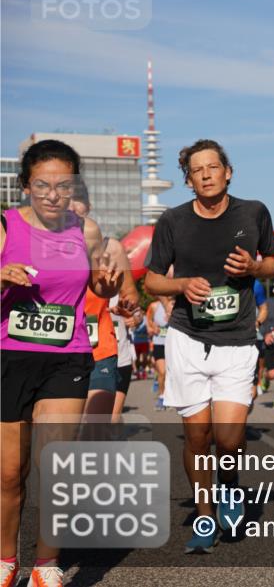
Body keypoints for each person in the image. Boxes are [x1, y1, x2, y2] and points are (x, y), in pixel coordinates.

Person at [143, 139, 274, 554]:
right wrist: (181, 284)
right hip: (187, 337)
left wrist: (256, 268)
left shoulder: (253, 212)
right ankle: (205, 513)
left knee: (229, 436)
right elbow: (151, 280)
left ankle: (230, 485)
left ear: (228, 172)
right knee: (197, 435)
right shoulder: (172, 220)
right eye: (196, 170)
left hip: (237, 341)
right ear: (188, 181)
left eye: (212, 167)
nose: (205, 174)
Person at [1, 139, 122, 587]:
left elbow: (99, 286)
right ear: (26, 186)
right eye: (42, 184)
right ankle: (6, 558)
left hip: (65, 357)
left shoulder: (86, 230)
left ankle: (46, 565)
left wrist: (107, 286)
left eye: (62, 184)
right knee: (10, 474)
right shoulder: (4, 225)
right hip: (8, 358)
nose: (53, 194)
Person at [69, 181, 141, 422]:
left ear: (88, 207)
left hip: (100, 348)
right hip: (56, 349)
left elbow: (131, 296)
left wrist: (128, 310)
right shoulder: (42, 248)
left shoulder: (112, 248)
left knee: (96, 427)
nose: (70, 205)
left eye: (77, 199)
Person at [145, 295, 173, 411]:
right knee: (162, 371)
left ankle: (171, 396)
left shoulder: (176, 305)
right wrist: (152, 329)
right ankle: (162, 396)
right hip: (159, 343)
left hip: (173, 344)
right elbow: (148, 323)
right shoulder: (154, 306)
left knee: (172, 373)